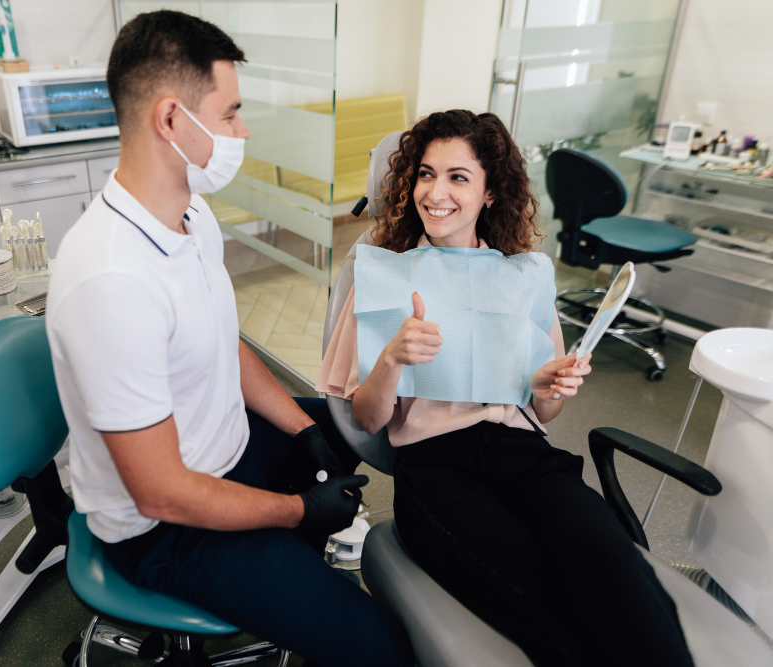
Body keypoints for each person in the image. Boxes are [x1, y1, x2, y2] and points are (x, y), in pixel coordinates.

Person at [45, 10, 413, 666]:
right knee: (380, 643)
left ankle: (287, 572)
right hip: (166, 526)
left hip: (227, 447)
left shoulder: (189, 210)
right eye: (231, 113)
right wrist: (297, 509)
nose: (242, 132)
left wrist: (306, 431)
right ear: (169, 120)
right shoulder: (110, 279)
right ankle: (287, 574)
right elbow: (161, 491)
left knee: (348, 431)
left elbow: (225, 342)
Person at [317, 110, 694, 667]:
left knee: (615, 566)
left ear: (491, 192)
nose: (435, 192)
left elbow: (548, 409)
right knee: (545, 603)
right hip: (437, 467)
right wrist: (393, 357)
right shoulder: (385, 275)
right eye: (425, 174)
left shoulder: (524, 276)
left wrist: (553, 382)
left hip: (527, 456)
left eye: (457, 177)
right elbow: (368, 421)